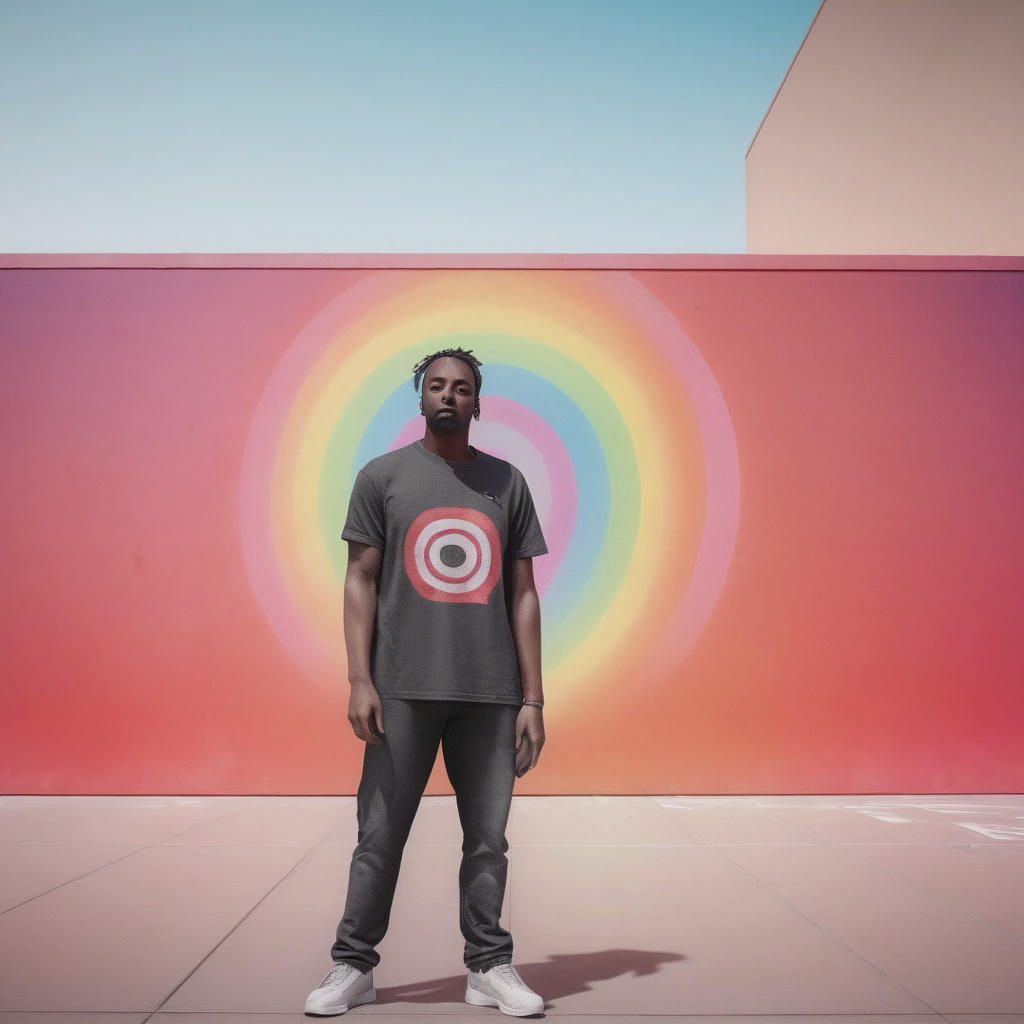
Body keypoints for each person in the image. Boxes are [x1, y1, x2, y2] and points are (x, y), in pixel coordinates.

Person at [305, 348, 548, 1017]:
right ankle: (352, 966)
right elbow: (359, 579)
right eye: (436, 385)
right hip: (402, 687)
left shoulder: (508, 482)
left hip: (492, 692)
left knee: (489, 839)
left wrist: (534, 697)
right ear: (420, 397)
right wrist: (360, 678)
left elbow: (524, 593)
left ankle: (489, 967)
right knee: (379, 834)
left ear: (478, 402)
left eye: (462, 387)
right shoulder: (382, 477)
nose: (449, 396)